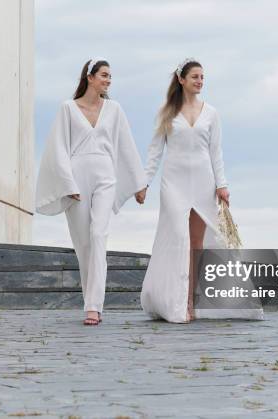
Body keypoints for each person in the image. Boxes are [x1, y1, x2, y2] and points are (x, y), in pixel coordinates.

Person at [139, 58, 262, 323]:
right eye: (195, 76)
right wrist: (144, 182)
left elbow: (216, 152)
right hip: (173, 183)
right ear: (182, 79)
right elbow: (154, 152)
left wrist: (222, 184)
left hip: (203, 182)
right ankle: (172, 297)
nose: (200, 81)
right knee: (178, 236)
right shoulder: (167, 112)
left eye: (202, 77)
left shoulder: (211, 114)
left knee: (196, 243)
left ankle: (190, 301)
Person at [35, 58, 147, 326]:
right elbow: (58, 147)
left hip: (105, 176)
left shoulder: (115, 109)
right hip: (76, 179)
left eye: (110, 76)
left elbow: (127, 146)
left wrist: (138, 184)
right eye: (104, 75)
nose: (108, 80)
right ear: (90, 77)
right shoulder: (68, 109)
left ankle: (94, 307)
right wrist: (67, 184)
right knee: (83, 244)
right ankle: (90, 300)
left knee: (99, 235)